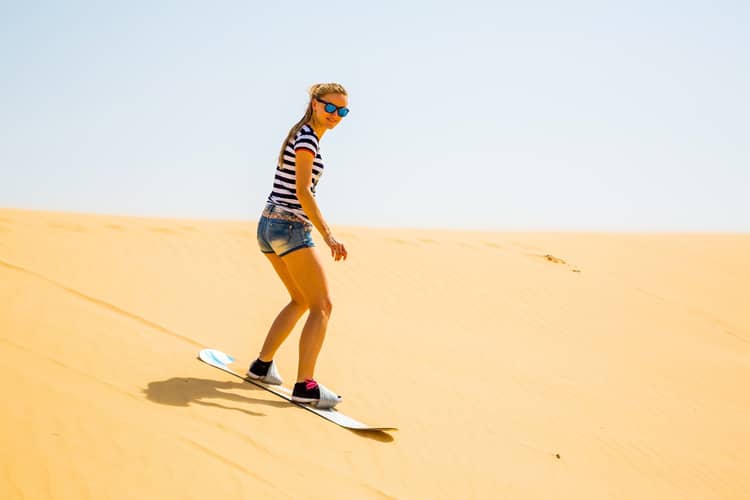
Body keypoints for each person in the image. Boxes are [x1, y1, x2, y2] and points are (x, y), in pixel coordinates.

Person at [248, 83, 350, 409]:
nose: (335, 115)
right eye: (330, 108)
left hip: (268, 225)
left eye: (342, 111)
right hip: (289, 227)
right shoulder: (307, 138)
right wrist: (329, 235)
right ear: (315, 103)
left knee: (301, 299)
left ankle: (262, 366)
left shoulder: (304, 135)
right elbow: (304, 192)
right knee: (322, 306)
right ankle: (305, 386)